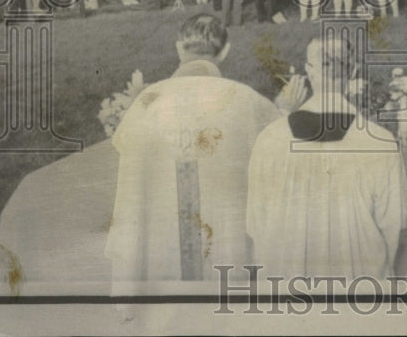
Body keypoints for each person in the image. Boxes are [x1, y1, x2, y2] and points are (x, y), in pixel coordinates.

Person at [106, 14, 290, 283]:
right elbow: (277, 147)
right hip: (225, 251)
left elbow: (124, 146)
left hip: (162, 247)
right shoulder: (247, 101)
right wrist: (286, 109)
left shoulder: (149, 100)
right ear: (225, 51)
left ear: (179, 47)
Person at [246, 38, 407, 280]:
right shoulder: (380, 141)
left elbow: (257, 226)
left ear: (308, 71)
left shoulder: (269, 139)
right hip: (359, 289)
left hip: (285, 290)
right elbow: (393, 226)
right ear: (354, 71)